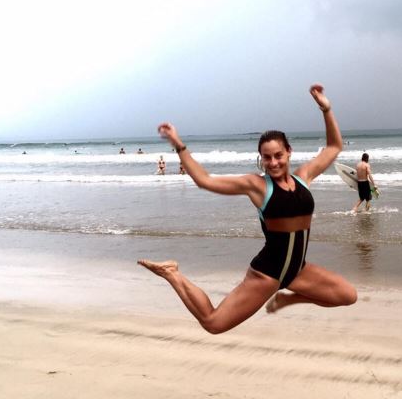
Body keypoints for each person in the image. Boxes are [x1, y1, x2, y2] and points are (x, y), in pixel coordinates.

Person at [138, 84, 357, 334]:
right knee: (213, 323)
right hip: (267, 274)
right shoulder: (257, 186)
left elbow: (334, 147)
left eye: (278, 155)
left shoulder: (303, 177)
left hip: (298, 271)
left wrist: (326, 109)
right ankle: (171, 273)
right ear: (261, 158)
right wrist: (179, 144)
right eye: (267, 157)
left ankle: (290, 298)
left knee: (348, 295)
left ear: (288, 152)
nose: (273, 162)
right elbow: (204, 180)